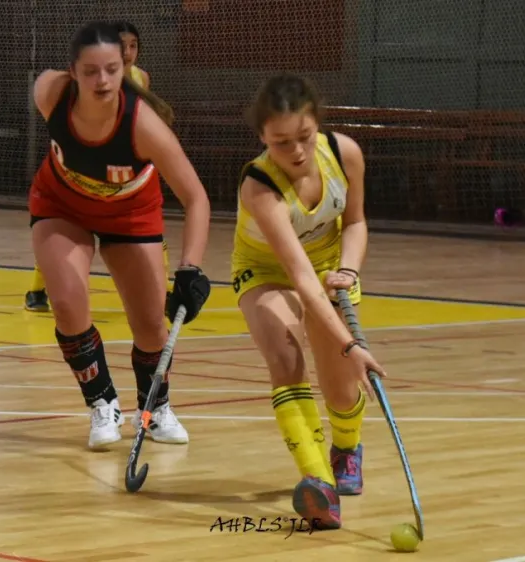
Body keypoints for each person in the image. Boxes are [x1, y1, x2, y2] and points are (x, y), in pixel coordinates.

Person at [28, 20, 211, 450]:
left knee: (150, 325)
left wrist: (190, 269)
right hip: (62, 205)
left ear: (124, 67)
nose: (102, 80)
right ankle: (102, 403)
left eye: (111, 69)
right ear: (71, 72)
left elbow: (196, 197)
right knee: (68, 303)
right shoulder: (50, 93)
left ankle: (155, 409)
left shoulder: (144, 125)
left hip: (130, 214)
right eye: (90, 71)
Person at [230, 73, 388, 530]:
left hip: (332, 269)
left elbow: (356, 223)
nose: (296, 151)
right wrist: (353, 344)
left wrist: (350, 272)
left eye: (304, 136)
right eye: (280, 143)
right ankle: (318, 482)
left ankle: (346, 446)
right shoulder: (259, 186)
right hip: (265, 270)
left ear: (317, 123)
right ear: (262, 138)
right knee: (285, 357)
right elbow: (299, 278)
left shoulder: (344, 154)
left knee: (341, 389)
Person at [24, 20, 155, 313]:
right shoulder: (75, 86)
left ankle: (165, 290)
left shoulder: (142, 79)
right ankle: (36, 289)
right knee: (58, 232)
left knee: (148, 235)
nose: (129, 52)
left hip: (120, 172)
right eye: (123, 46)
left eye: (134, 46)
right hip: (80, 163)